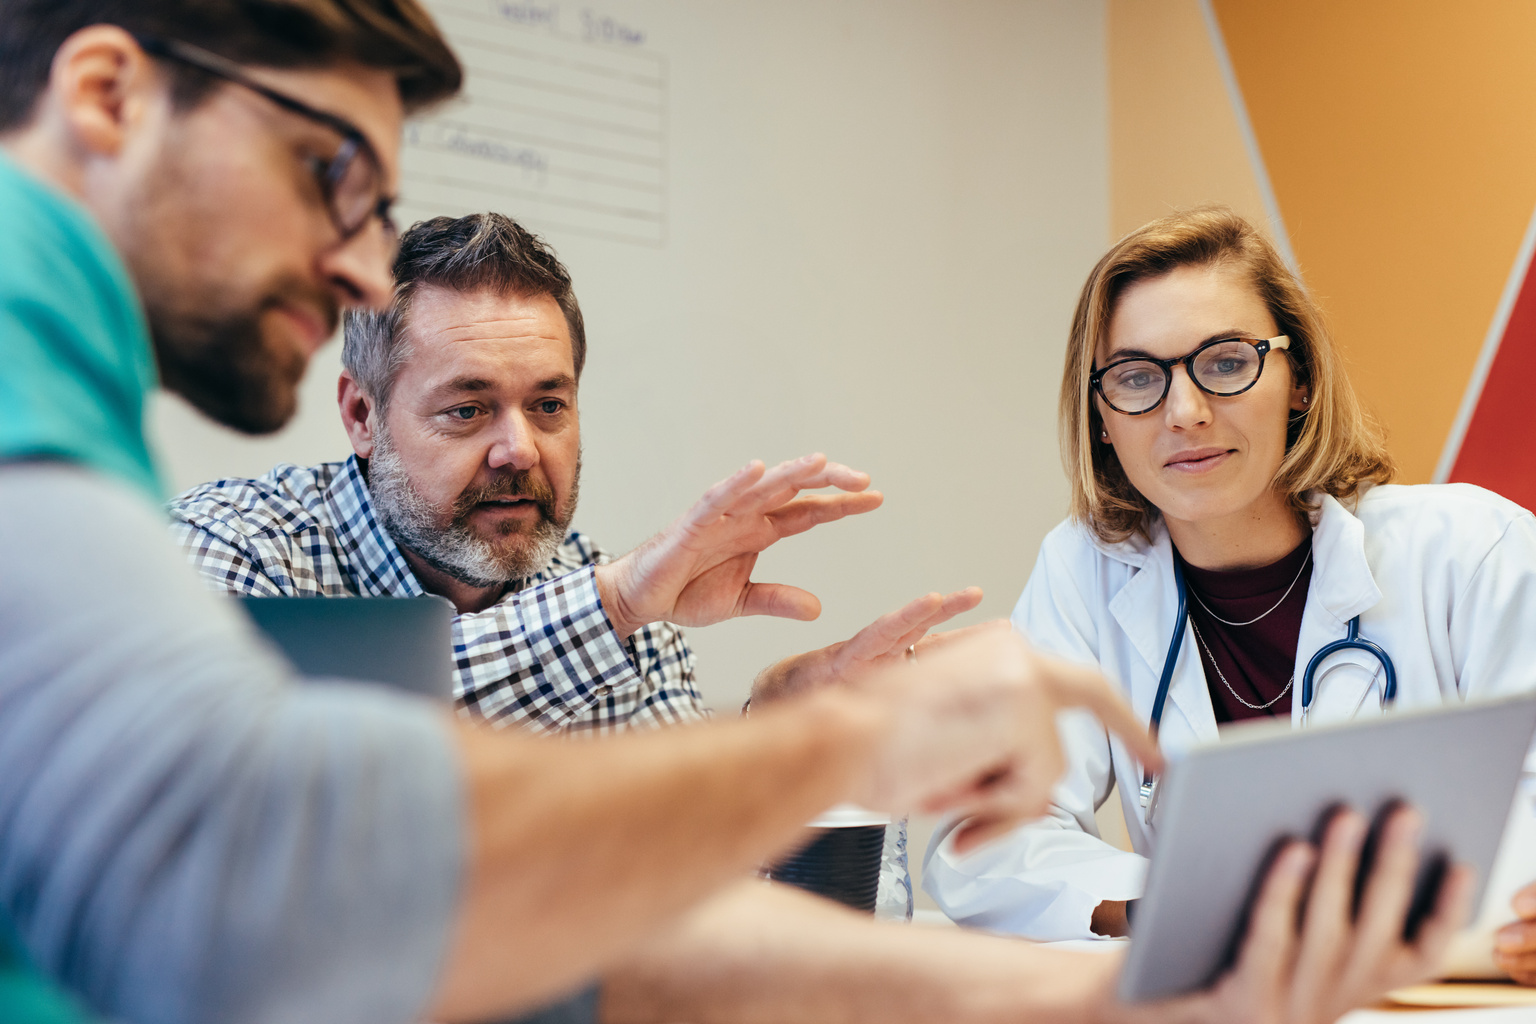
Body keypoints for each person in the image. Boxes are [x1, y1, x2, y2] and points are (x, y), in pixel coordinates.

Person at [0, 7, 1471, 1023]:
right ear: (111, 94)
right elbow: (271, 841)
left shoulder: (78, 396)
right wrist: (818, 745)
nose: (354, 266)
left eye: (552, 402)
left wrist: (1126, 989)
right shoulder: (140, 467)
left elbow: (619, 927)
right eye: (332, 172)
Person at [923, 205, 1536, 943]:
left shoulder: (1472, 549)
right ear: (1103, 418)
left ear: (1299, 378)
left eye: (1225, 363)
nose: (1184, 412)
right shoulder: (1085, 570)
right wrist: (1188, 908)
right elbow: (987, 842)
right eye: (1137, 377)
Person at [167, 211, 982, 735]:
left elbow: (676, 851)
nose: (519, 450)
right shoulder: (233, 549)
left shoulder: (604, 592)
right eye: (467, 409)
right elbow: (267, 779)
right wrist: (614, 604)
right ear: (360, 416)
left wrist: (789, 715)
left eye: (549, 406)